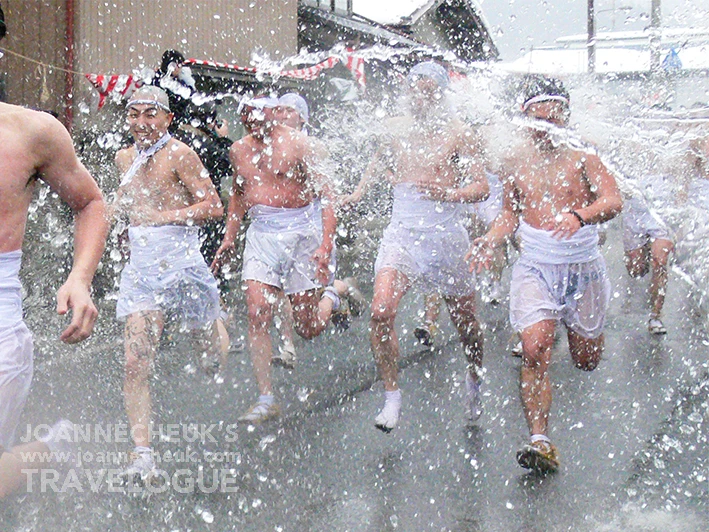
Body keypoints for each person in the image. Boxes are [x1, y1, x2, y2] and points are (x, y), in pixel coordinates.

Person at [469, 75, 623, 474]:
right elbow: (510, 212)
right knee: (535, 348)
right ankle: (540, 440)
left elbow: (613, 199)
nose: (543, 131)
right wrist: (491, 238)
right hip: (536, 263)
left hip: (582, 267)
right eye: (536, 122)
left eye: (551, 121)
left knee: (586, 360)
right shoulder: (516, 161)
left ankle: (583, 333)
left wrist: (580, 215)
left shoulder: (584, 155)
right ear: (524, 120)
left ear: (564, 117)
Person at [343, 62, 489, 432]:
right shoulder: (394, 128)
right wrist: (361, 189)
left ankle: (474, 376)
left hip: (445, 234)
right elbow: (377, 158)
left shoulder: (461, 134)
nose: (422, 99)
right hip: (403, 231)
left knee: (467, 324)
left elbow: (481, 187)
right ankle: (392, 398)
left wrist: (451, 192)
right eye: (416, 91)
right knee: (380, 312)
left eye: (430, 92)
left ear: (441, 95)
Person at [0, 32, 108, 497]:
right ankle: (56, 447)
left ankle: (54, 447)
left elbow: (90, 203)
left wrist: (81, 277)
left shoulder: (31, 132)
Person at [211, 96, 363, 424]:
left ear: (273, 113)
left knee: (306, 327)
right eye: (245, 116)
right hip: (262, 234)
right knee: (257, 311)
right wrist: (229, 238)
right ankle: (266, 398)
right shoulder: (239, 149)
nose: (251, 121)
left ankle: (334, 295)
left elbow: (327, 198)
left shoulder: (300, 144)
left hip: (301, 233)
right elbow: (239, 193)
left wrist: (325, 244)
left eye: (258, 114)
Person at [112, 86, 224, 483]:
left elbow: (213, 207)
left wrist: (162, 216)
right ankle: (142, 453)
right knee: (135, 361)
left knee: (210, 351)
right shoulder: (123, 158)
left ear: (167, 119)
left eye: (150, 115)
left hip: (182, 267)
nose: (141, 123)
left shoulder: (181, 154)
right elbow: (126, 211)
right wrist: (124, 236)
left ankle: (214, 334)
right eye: (134, 114)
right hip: (142, 272)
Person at [413, 169, 506, 347]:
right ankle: (430, 322)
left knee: (495, 241)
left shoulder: (480, 145)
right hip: (456, 201)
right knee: (433, 264)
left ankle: (495, 281)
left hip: (491, 194)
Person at [622, 189, 674, 334]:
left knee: (660, 261)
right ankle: (646, 248)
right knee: (636, 269)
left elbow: (682, 178)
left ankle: (655, 316)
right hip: (634, 211)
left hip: (663, 210)